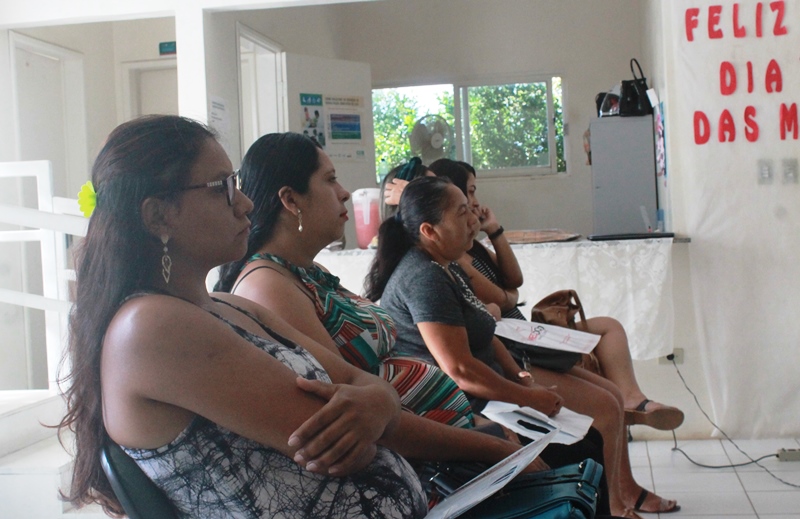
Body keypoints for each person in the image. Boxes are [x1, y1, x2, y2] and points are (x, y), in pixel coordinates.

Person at [57, 115, 523, 518]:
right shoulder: (152, 327)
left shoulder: (230, 307)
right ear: (159, 217)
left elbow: (364, 388)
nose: (245, 203)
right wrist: (493, 449)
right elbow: (349, 440)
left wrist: (379, 402)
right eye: (222, 188)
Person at [214, 133, 622, 517]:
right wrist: (493, 446)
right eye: (330, 179)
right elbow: (363, 418)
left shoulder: (308, 273)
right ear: (291, 200)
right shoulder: (269, 287)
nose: (344, 192)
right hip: (423, 466)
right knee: (578, 457)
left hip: (447, 439)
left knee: (583, 451)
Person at [365, 176, 679, 518]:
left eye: (470, 209)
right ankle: (611, 506)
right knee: (583, 448)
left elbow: (488, 331)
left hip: (495, 387)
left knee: (596, 425)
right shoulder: (423, 277)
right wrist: (528, 398)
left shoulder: (446, 265)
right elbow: (460, 370)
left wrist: (521, 378)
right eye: (461, 213)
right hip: (465, 408)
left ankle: (612, 499)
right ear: (430, 231)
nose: (473, 220)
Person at [428, 158, 684, 432]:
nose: (476, 201)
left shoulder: (474, 247)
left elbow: (515, 280)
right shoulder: (455, 257)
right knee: (605, 398)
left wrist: (494, 230)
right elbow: (503, 299)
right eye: (470, 192)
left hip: (524, 328)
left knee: (609, 328)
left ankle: (634, 399)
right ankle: (626, 407)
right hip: (514, 342)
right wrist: (509, 296)